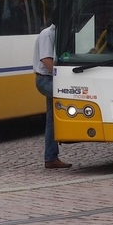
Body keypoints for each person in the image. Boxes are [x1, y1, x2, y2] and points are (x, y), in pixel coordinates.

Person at [33, 13, 71, 169]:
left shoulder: (57, 34)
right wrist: (62, 78)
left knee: (52, 120)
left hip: (50, 79)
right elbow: (46, 59)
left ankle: (50, 157)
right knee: (68, 95)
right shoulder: (48, 35)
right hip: (45, 80)